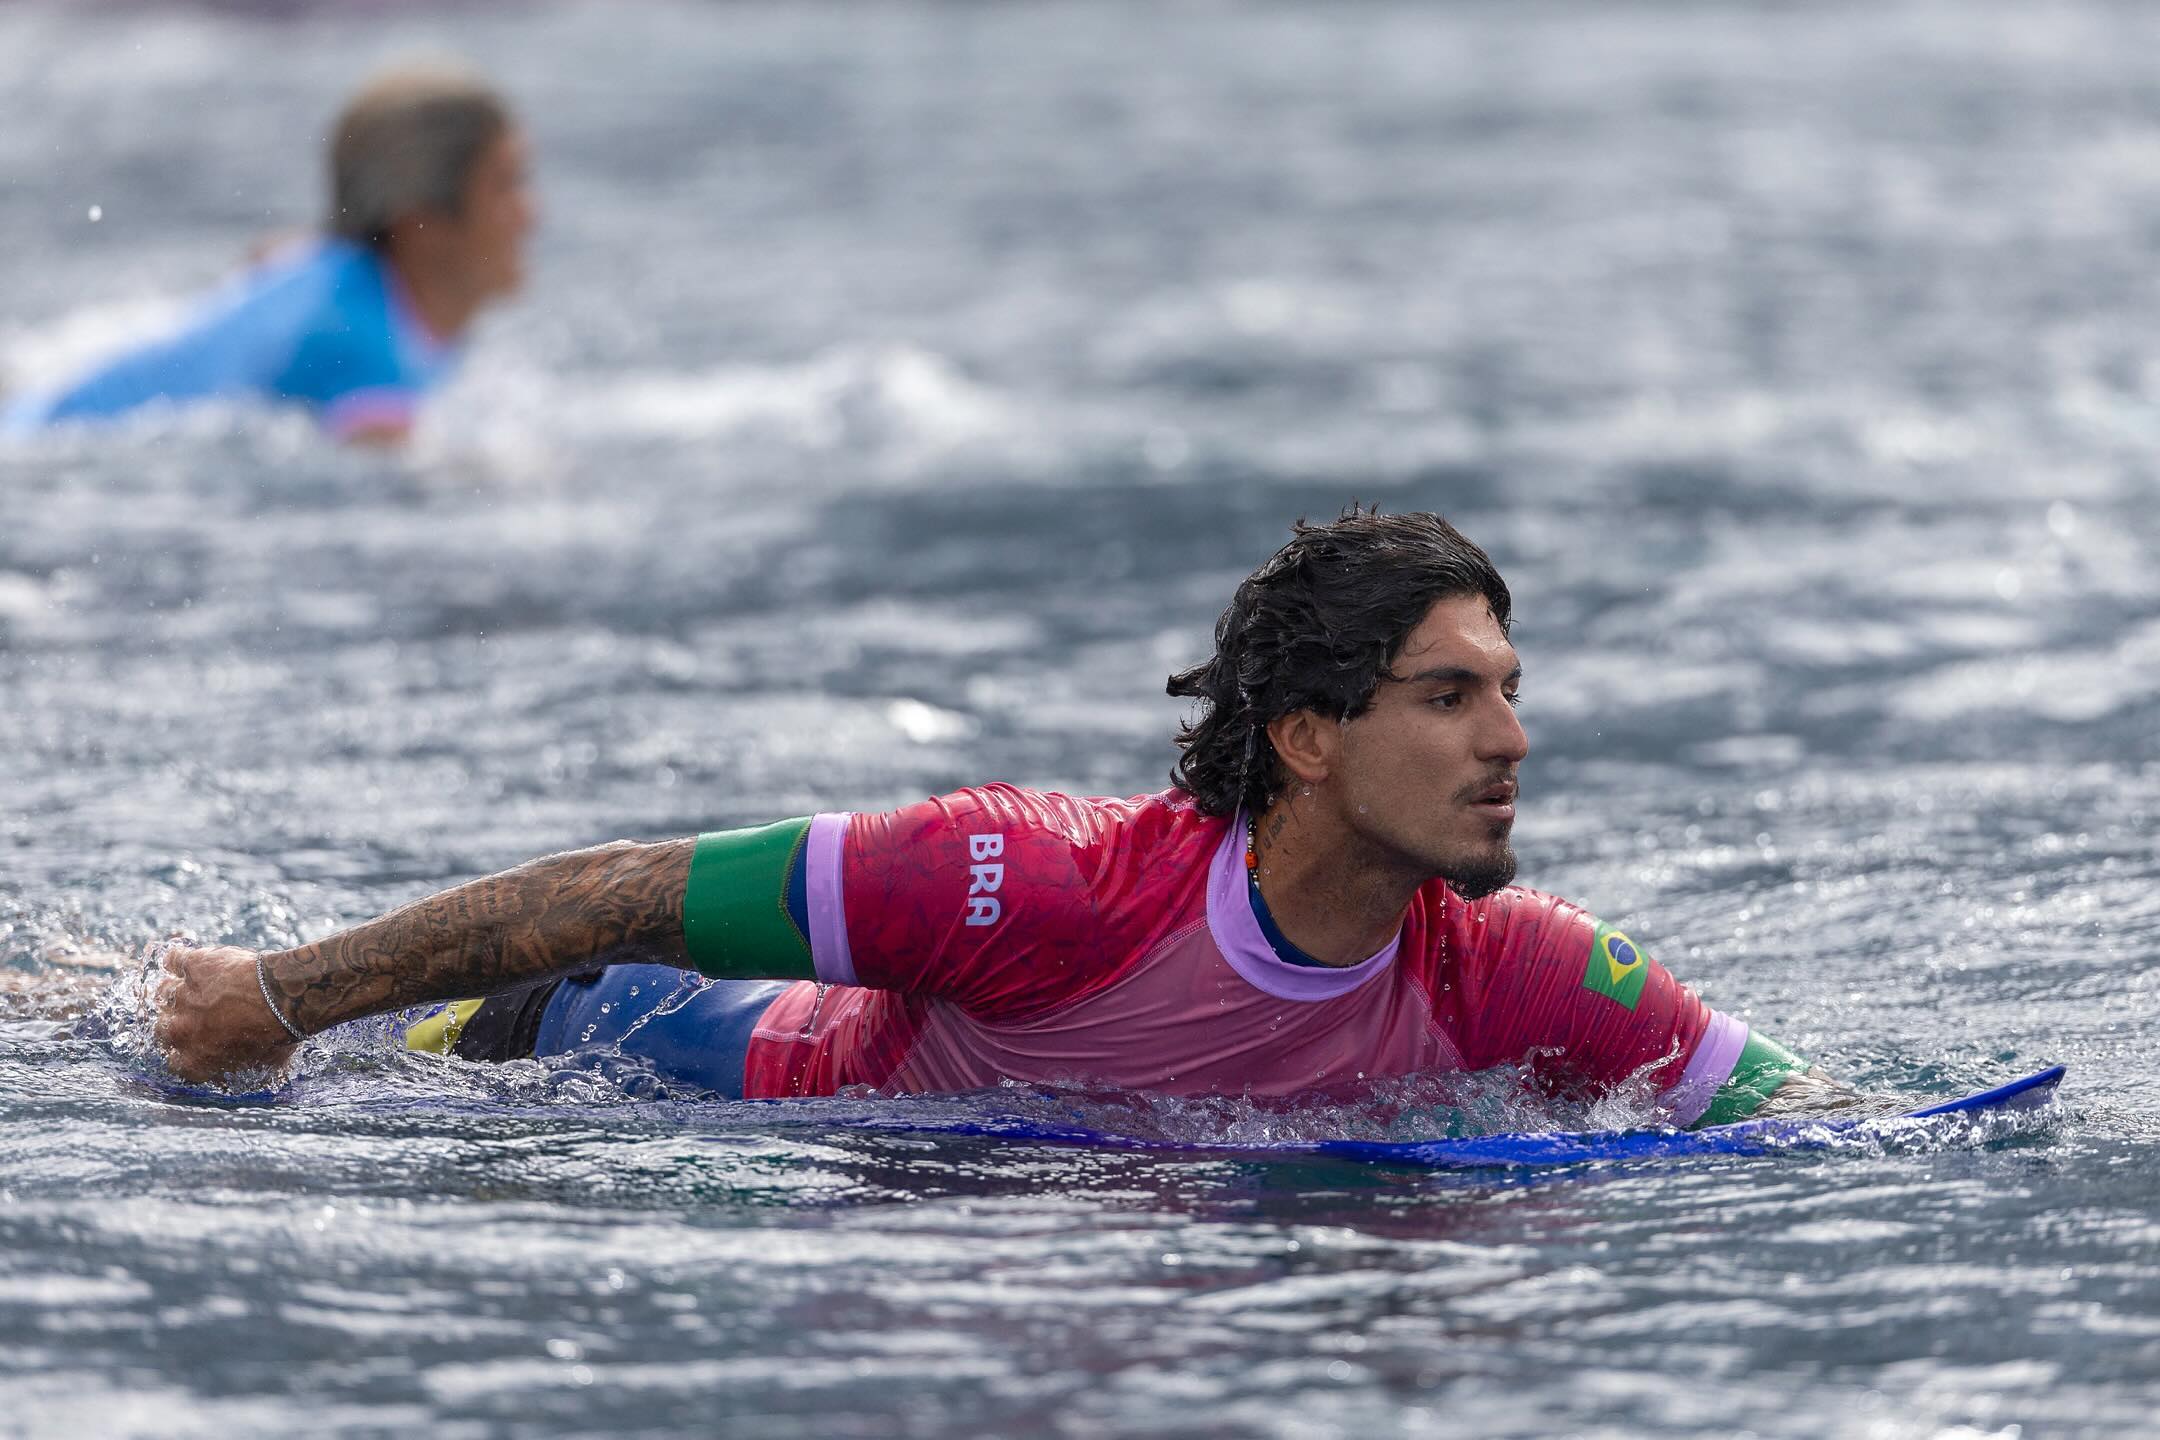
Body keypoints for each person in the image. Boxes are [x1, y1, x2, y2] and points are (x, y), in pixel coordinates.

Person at [153, 509, 1847, 1126]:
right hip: (614, 1064)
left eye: (1511, 687)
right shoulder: (1031, 881)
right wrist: (279, 1001)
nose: (1513, 738)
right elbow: (622, 894)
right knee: (124, 1026)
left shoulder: (1526, 972)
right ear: (1312, 738)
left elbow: (1829, 1126)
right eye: (1452, 694)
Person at [5, 64, 533, 444]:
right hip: (45, 449)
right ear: (420, 218)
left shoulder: (349, 278)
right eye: (505, 186)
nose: (532, 214)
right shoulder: (361, 346)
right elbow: (388, 465)